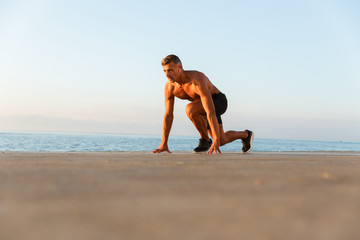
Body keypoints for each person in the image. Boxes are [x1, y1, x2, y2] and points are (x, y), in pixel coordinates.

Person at [152, 54, 254, 154]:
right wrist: (164, 143)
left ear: (180, 68)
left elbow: (210, 111)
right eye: (164, 71)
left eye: (170, 70)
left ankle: (205, 140)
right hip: (201, 107)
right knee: (222, 140)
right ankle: (246, 135)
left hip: (218, 101)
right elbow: (168, 115)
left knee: (190, 109)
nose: (167, 75)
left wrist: (215, 139)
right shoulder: (170, 87)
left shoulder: (196, 79)